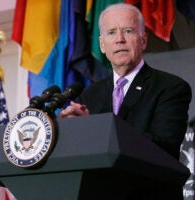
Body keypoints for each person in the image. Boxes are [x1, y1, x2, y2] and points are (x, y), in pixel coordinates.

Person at [59, 3, 192, 200]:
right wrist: (68, 131)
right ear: (102, 45)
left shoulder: (170, 87)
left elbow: (163, 147)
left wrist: (95, 128)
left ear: (143, 40)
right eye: (111, 33)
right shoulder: (89, 95)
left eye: (128, 31)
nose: (119, 39)